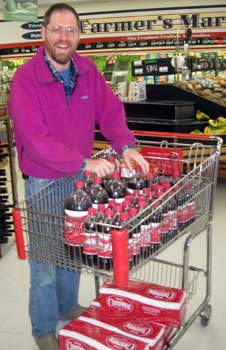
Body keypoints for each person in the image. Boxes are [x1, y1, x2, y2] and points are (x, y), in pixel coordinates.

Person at [9, 3, 149, 350]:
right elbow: (34, 138)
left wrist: (126, 145)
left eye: (70, 30)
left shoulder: (87, 70)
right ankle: (43, 329)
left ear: (79, 36)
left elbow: (111, 111)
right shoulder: (26, 78)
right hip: (44, 181)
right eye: (56, 29)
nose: (63, 37)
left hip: (78, 180)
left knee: (74, 250)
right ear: (43, 33)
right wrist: (83, 163)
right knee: (45, 263)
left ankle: (68, 307)